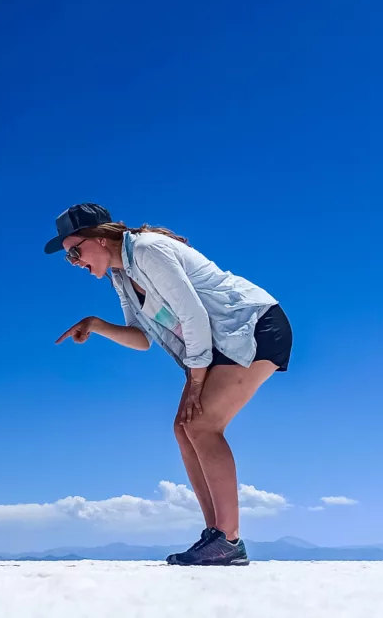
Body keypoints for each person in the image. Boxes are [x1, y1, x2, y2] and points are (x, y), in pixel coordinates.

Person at [45, 203, 292, 567]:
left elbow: (192, 315)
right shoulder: (121, 276)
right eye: (69, 259)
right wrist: (96, 324)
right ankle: (217, 536)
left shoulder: (146, 249)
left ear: (100, 238)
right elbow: (142, 338)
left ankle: (229, 537)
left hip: (251, 327)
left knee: (201, 425)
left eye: (75, 252)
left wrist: (195, 383)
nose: (75, 262)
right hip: (217, 343)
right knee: (184, 428)